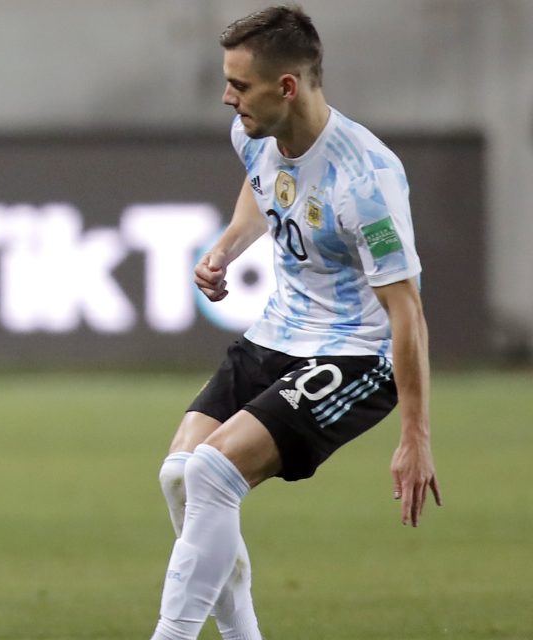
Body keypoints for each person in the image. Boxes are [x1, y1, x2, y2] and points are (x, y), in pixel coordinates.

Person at [148, 6, 442, 640]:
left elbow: (408, 312)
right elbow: (263, 187)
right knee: (180, 473)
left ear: (287, 86)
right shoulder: (253, 132)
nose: (228, 98)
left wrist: (415, 435)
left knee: (212, 473)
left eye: (240, 85)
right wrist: (228, 246)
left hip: (357, 356)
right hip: (277, 334)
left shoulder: (366, 181)